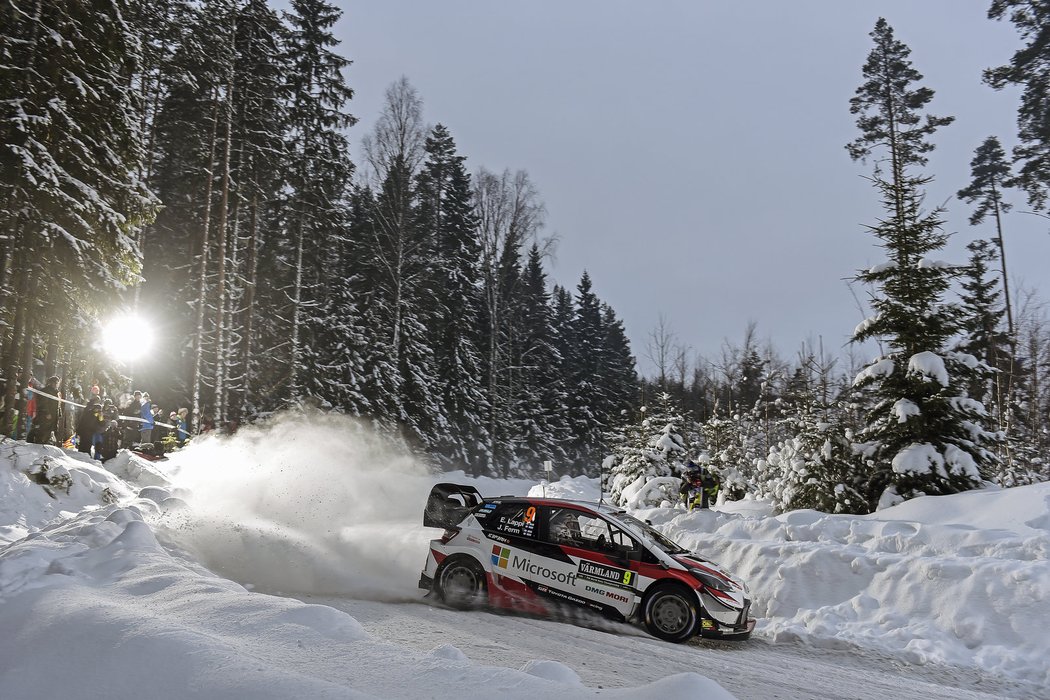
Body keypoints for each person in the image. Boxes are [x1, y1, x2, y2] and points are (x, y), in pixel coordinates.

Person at [28, 376, 61, 445]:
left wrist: (59, 413)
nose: (56, 384)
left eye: (57, 383)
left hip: (54, 415)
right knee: (43, 430)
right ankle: (39, 443)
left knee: (50, 431)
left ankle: (46, 443)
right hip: (45, 415)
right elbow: (43, 403)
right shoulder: (46, 391)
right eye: (55, 383)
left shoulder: (57, 392)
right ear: (51, 383)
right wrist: (47, 413)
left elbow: (58, 403)